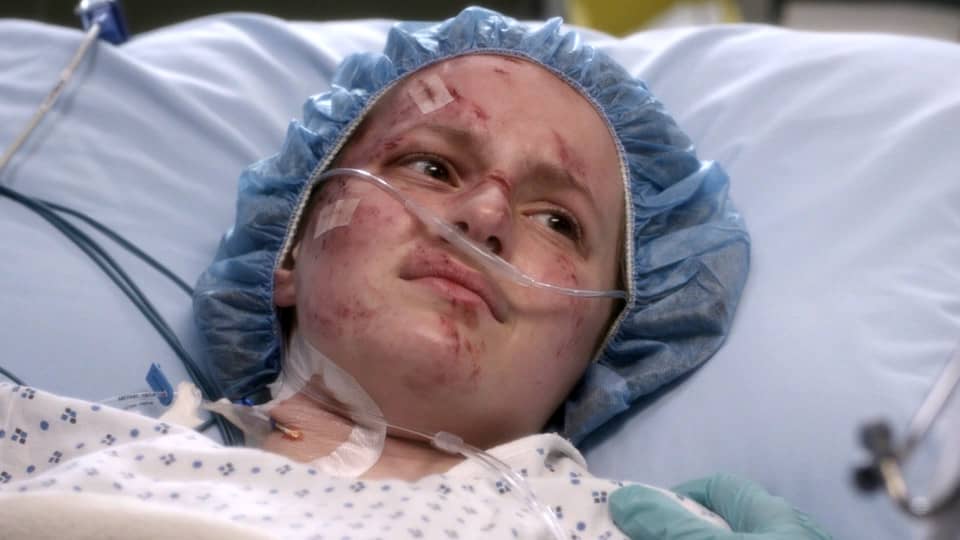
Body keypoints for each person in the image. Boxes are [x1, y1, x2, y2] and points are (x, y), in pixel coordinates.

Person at [0, 7, 829, 539]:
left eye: (558, 221)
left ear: (601, 344)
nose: (487, 215)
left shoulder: (629, 528)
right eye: (430, 166)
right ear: (287, 254)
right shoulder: (56, 444)